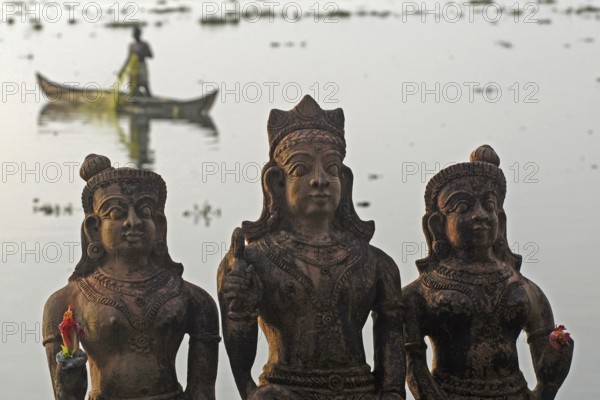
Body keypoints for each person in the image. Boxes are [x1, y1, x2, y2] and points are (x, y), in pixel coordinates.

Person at [217, 95, 406, 400]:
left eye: (331, 168)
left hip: (359, 391)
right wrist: (240, 311)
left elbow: (391, 344)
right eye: (301, 170)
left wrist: (393, 393)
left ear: (344, 180)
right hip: (286, 391)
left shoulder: (374, 263)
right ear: (277, 183)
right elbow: (240, 358)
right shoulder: (255, 260)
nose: (320, 180)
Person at [403, 145, 574, 400]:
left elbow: (544, 367)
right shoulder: (420, 294)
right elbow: (413, 365)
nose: (480, 215)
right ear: (437, 225)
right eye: (463, 207)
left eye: (489, 205)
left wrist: (557, 360)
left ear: (500, 220)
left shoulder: (525, 290)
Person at [43, 154, 219, 400]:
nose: (133, 222)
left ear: (159, 224)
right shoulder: (65, 303)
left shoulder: (195, 300)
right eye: (116, 213)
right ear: (94, 228)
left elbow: (202, 393)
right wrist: (70, 375)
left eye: (144, 211)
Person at [118, 26, 153, 97]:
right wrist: (122, 70)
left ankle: (150, 99)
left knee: (144, 83)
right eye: (134, 34)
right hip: (133, 68)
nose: (135, 35)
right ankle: (137, 100)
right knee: (133, 87)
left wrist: (142, 54)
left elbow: (151, 55)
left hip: (142, 66)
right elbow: (128, 58)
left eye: (136, 33)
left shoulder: (144, 44)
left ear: (139, 34)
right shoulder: (131, 46)